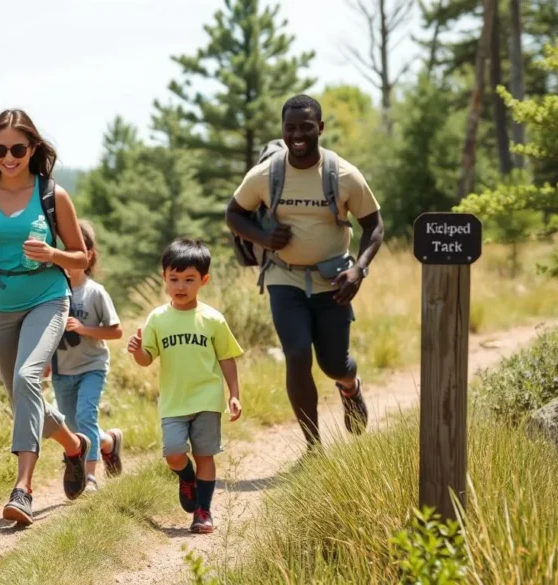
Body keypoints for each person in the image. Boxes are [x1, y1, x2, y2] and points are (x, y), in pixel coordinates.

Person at [0, 109, 92, 526]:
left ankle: (23, 488)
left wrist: (52, 254)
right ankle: (74, 446)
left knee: (27, 378)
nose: (8, 157)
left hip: (46, 297)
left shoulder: (53, 194)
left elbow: (82, 256)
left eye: (17, 148)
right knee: (21, 395)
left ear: (33, 148)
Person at [225, 94, 384, 451]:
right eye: (290, 127)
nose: (298, 134)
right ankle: (314, 446)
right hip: (285, 277)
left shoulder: (343, 174)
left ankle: (349, 386)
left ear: (320, 128)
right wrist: (264, 237)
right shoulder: (267, 173)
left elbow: (375, 226)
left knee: (334, 363)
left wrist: (358, 270)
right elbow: (233, 214)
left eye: (306, 127)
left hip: (334, 281)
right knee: (297, 354)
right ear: (282, 130)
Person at [126, 238, 243, 534]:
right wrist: (138, 350)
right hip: (174, 402)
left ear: (203, 280)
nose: (180, 286)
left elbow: (227, 357)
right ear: (164, 277)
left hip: (207, 399)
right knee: (174, 454)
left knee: (205, 454)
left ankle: (203, 512)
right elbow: (146, 359)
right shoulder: (157, 318)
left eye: (189, 279)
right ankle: (186, 477)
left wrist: (234, 394)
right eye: (174, 279)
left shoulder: (213, 319)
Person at [45, 220, 126, 492]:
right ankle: (108, 443)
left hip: (92, 366)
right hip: (62, 371)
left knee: (85, 417)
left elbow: (116, 331)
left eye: (76, 249)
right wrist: (44, 361)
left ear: (88, 254)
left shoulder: (95, 292)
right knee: (71, 425)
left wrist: (84, 329)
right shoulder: (53, 291)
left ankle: (89, 477)